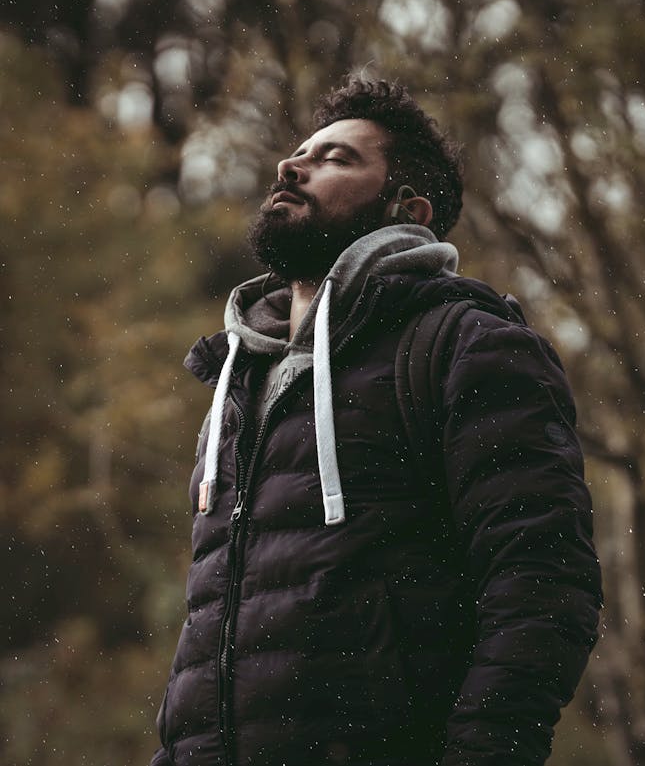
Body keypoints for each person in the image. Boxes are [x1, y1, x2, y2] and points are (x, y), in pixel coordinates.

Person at [150, 78, 602, 766]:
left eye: (336, 158)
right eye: (298, 152)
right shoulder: (236, 387)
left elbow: (542, 583)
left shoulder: (467, 345)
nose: (290, 166)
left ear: (406, 207)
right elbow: (212, 625)